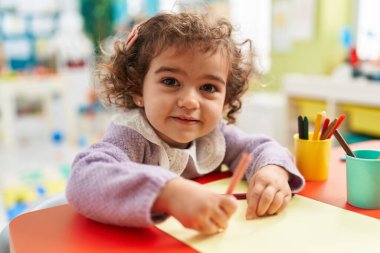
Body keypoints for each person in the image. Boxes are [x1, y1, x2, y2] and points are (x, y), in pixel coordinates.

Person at [66, 12, 305, 235]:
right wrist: (168, 193)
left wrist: (272, 172)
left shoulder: (214, 133)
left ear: (225, 101)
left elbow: (261, 148)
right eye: (170, 81)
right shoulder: (131, 135)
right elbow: (83, 178)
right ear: (137, 88)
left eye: (208, 88)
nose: (190, 102)